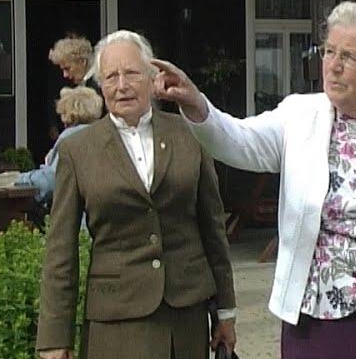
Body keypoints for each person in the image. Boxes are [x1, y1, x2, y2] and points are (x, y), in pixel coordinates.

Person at [151, 0, 356, 359]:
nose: (333, 66)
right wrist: (195, 102)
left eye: (349, 56)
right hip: (315, 317)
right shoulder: (300, 116)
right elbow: (237, 141)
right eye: (329, 51)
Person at [35, 30, 237, 359]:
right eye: (111, 76)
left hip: (184, 317)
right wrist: (55, 338)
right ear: (99, 84)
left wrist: (226, 312)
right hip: (115, 321)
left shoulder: (190, 136)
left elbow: (212, 228)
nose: (122, 85)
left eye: (131, 73)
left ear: (151, 78)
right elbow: (61, 250)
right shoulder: (77, 150)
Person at [15, 86, 103, 226]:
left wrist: (20, 178)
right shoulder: (102, 133)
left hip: (78, 222)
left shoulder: (71, 137)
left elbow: (51, 181)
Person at [46, 33, 97, 143]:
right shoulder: (85, 83)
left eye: (67, 68)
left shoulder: (99, 85)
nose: (65, 75)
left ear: (82, 62)